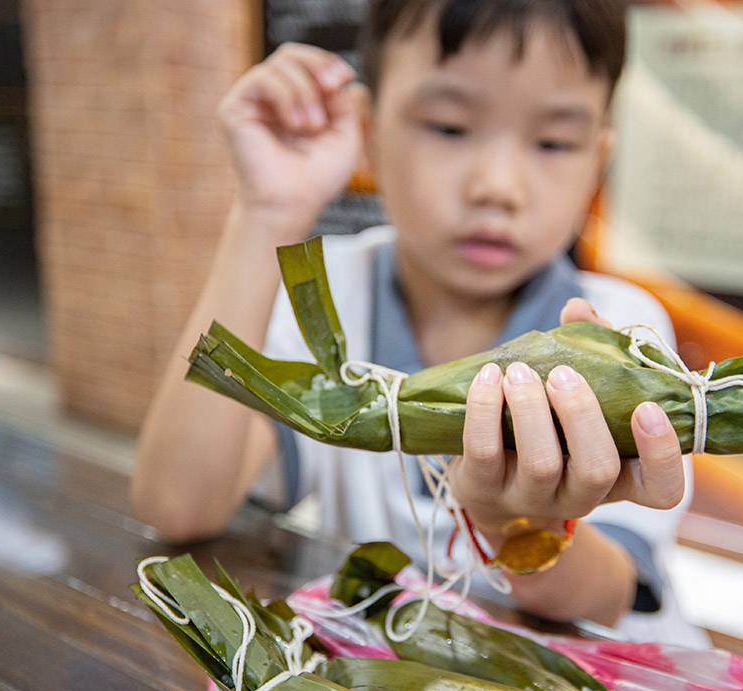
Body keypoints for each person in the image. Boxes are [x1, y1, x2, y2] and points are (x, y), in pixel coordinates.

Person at [131, 0, 706, 645]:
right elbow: (177, 506)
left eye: (553, 142)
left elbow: (607, 595)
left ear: (597, 160)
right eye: (450, 126)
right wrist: (265, 214)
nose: (498, 186)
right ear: (369, 133)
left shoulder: (620, 328)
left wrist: (512, 526)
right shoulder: (326, 299)